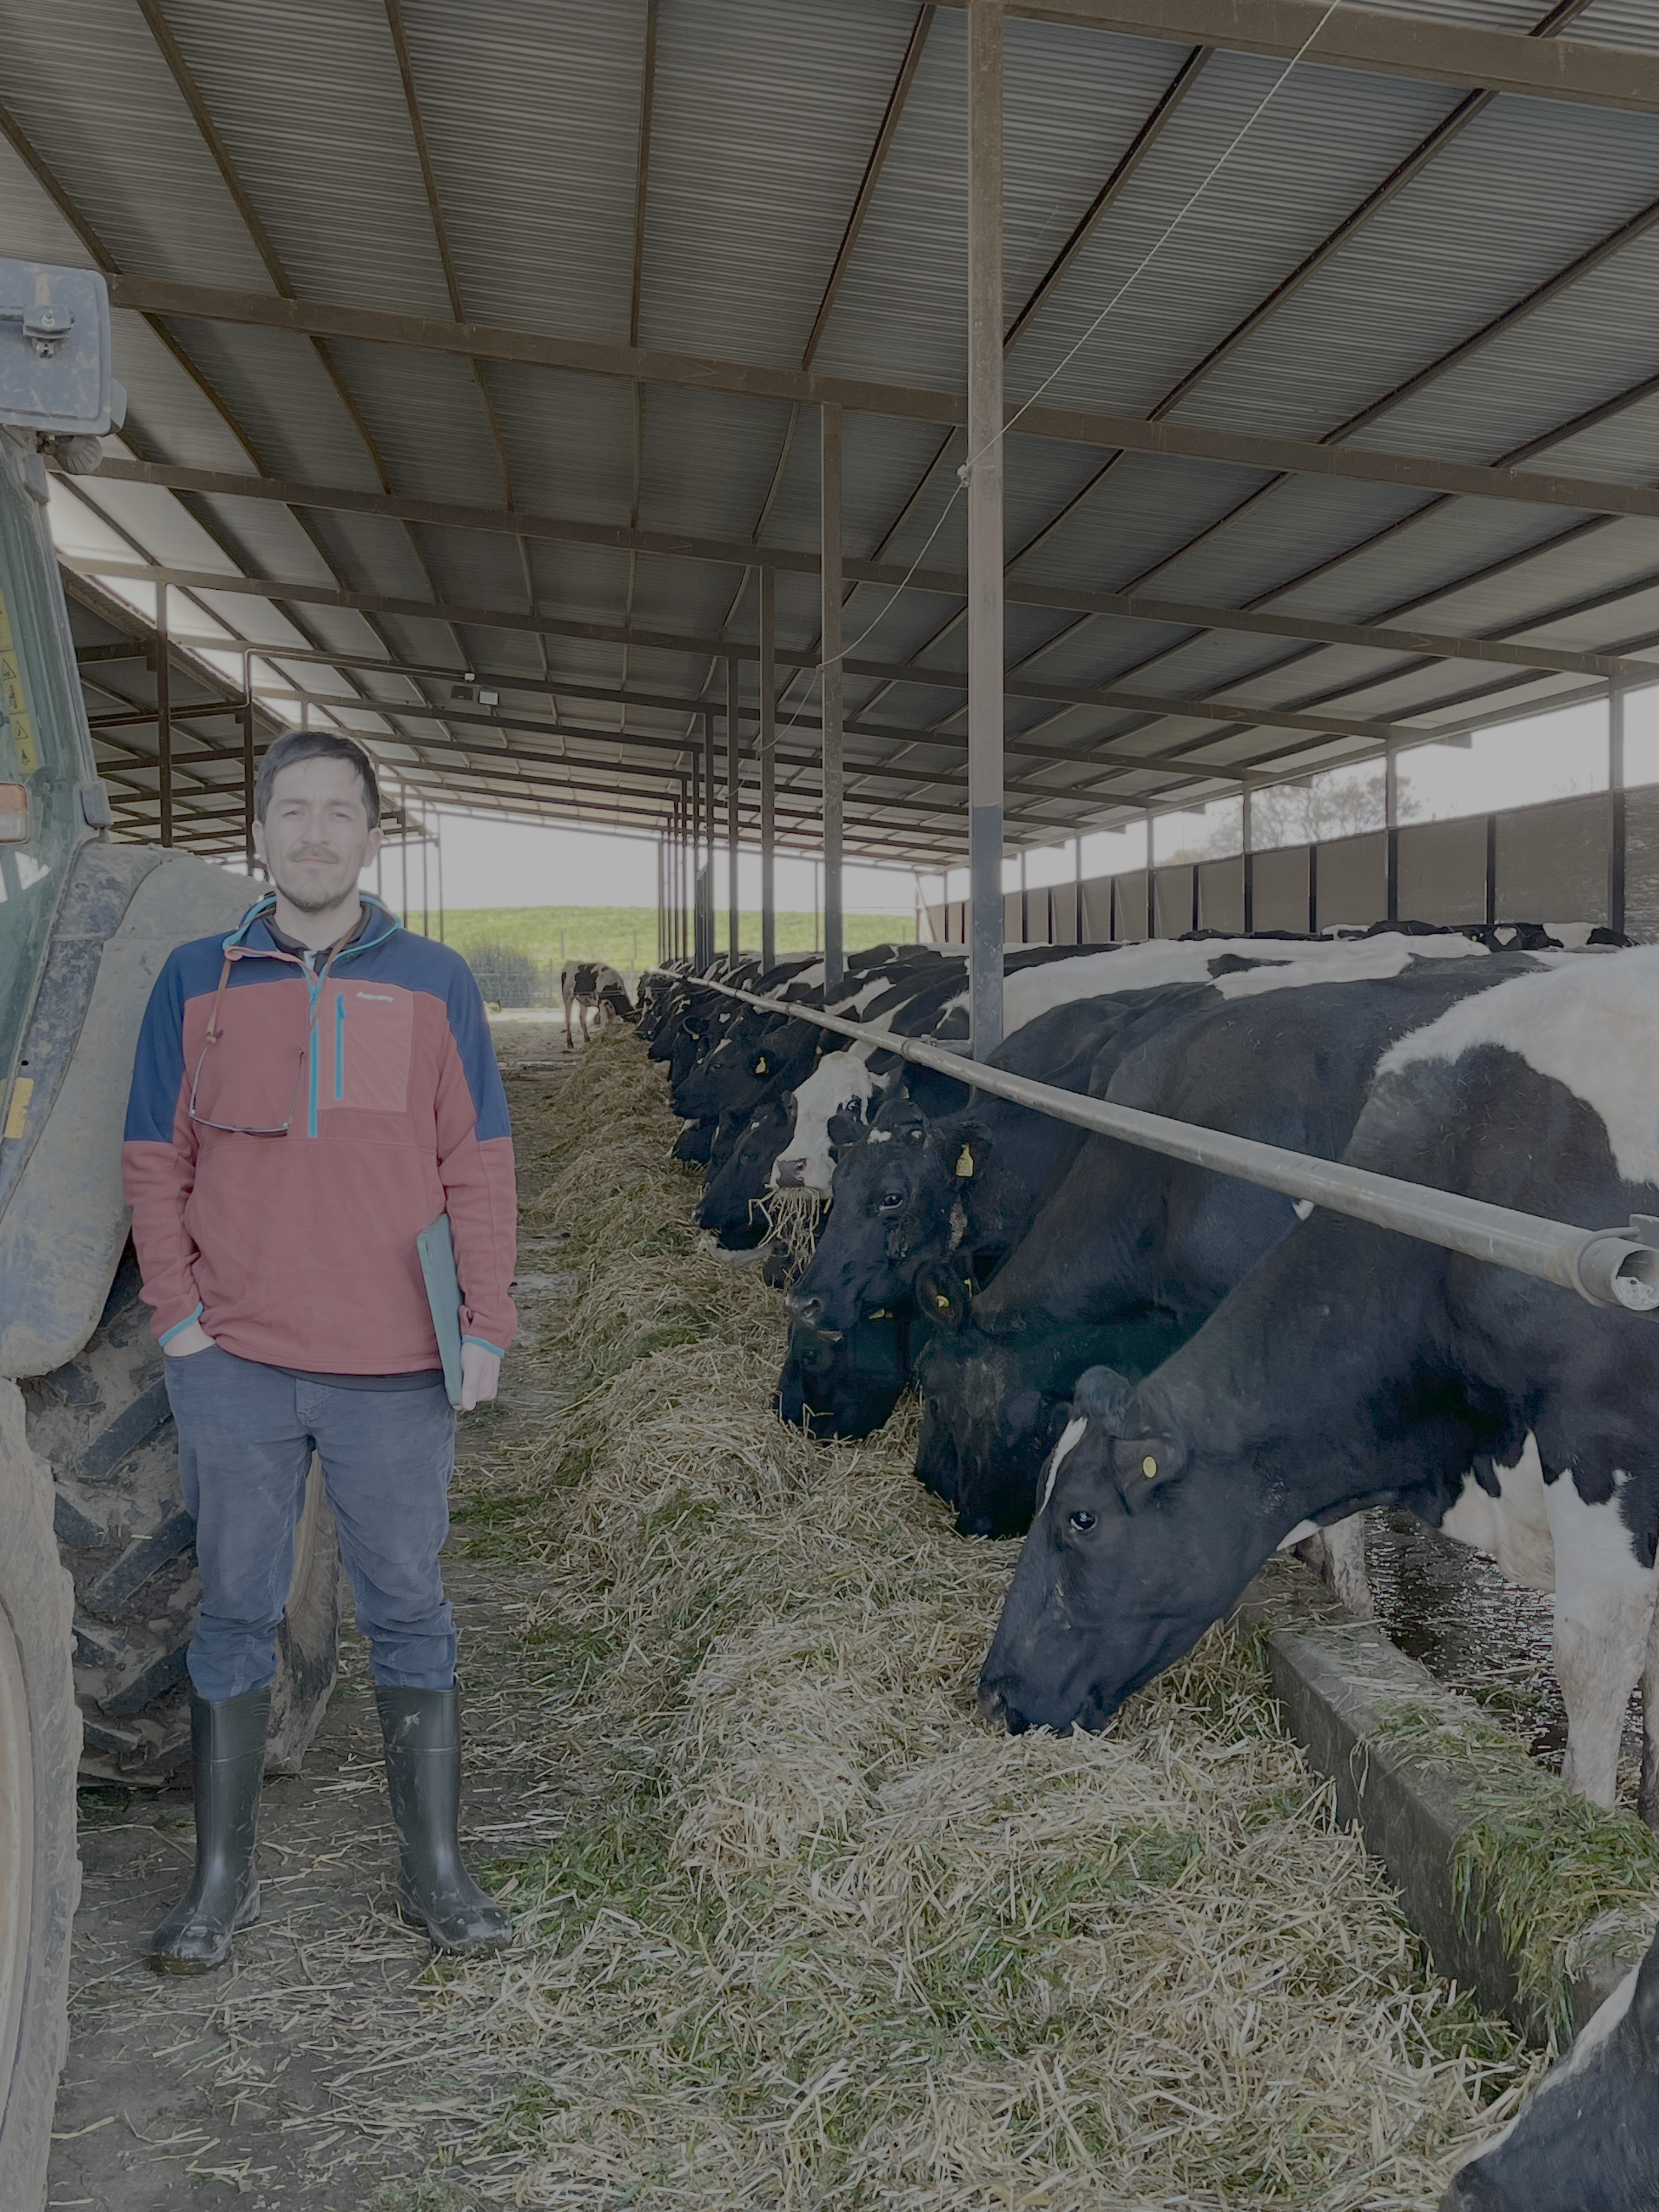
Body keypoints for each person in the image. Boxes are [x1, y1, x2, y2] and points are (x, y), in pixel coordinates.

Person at [122, 729, 517, 1972]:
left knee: (409, 1610)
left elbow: (478, 1165)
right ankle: (219, 1882)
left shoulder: (437, 981)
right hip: (234, 1360)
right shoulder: (193, 977)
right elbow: (153, 1160)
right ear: (262, 831)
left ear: (367, 833)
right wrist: (178, 1317)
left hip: (394, 1363)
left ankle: (435, 1876)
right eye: (291, 810)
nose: (313, 832)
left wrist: (484, 1324)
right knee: (233, 1609)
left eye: (337, 811)